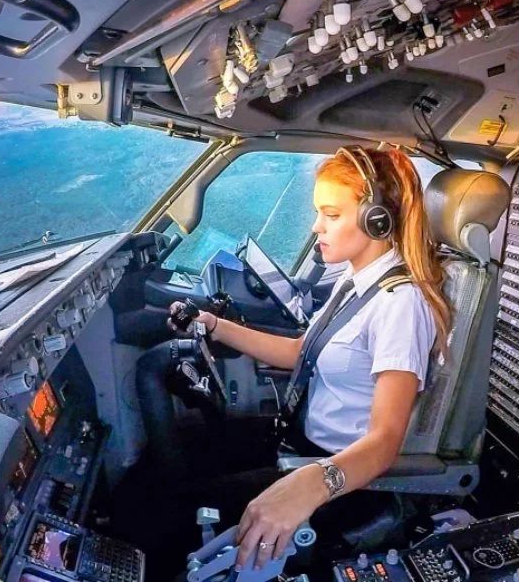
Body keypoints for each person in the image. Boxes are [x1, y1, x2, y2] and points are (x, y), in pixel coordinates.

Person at [164, 146, 451, 573]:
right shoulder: (355, 281)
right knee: (180, 461)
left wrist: (311, 485)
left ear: (377, 218)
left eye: (331, 214)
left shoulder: (400, 304)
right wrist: (213, 325)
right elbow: (301, 351)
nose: (317, 226)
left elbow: (386, 440)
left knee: (166, 513)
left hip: (342, 480)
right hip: (298, 447)